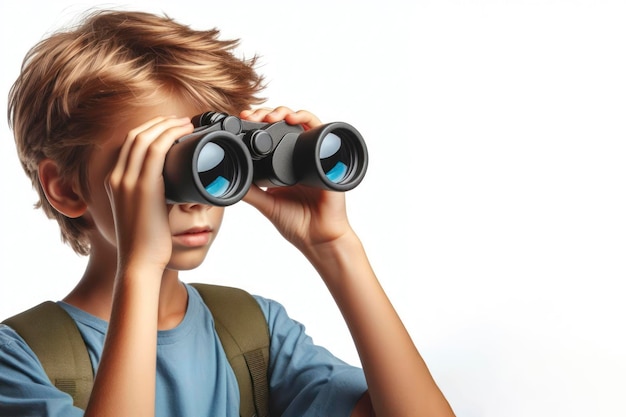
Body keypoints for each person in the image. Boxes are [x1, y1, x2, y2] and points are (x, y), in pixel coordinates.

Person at [0, 9, 455, 417]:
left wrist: (334, 246)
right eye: (163, 164)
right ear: (65, 187)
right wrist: (141, 267)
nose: (198, 198)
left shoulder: (253, 332)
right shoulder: (20, 358)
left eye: (216, 160)